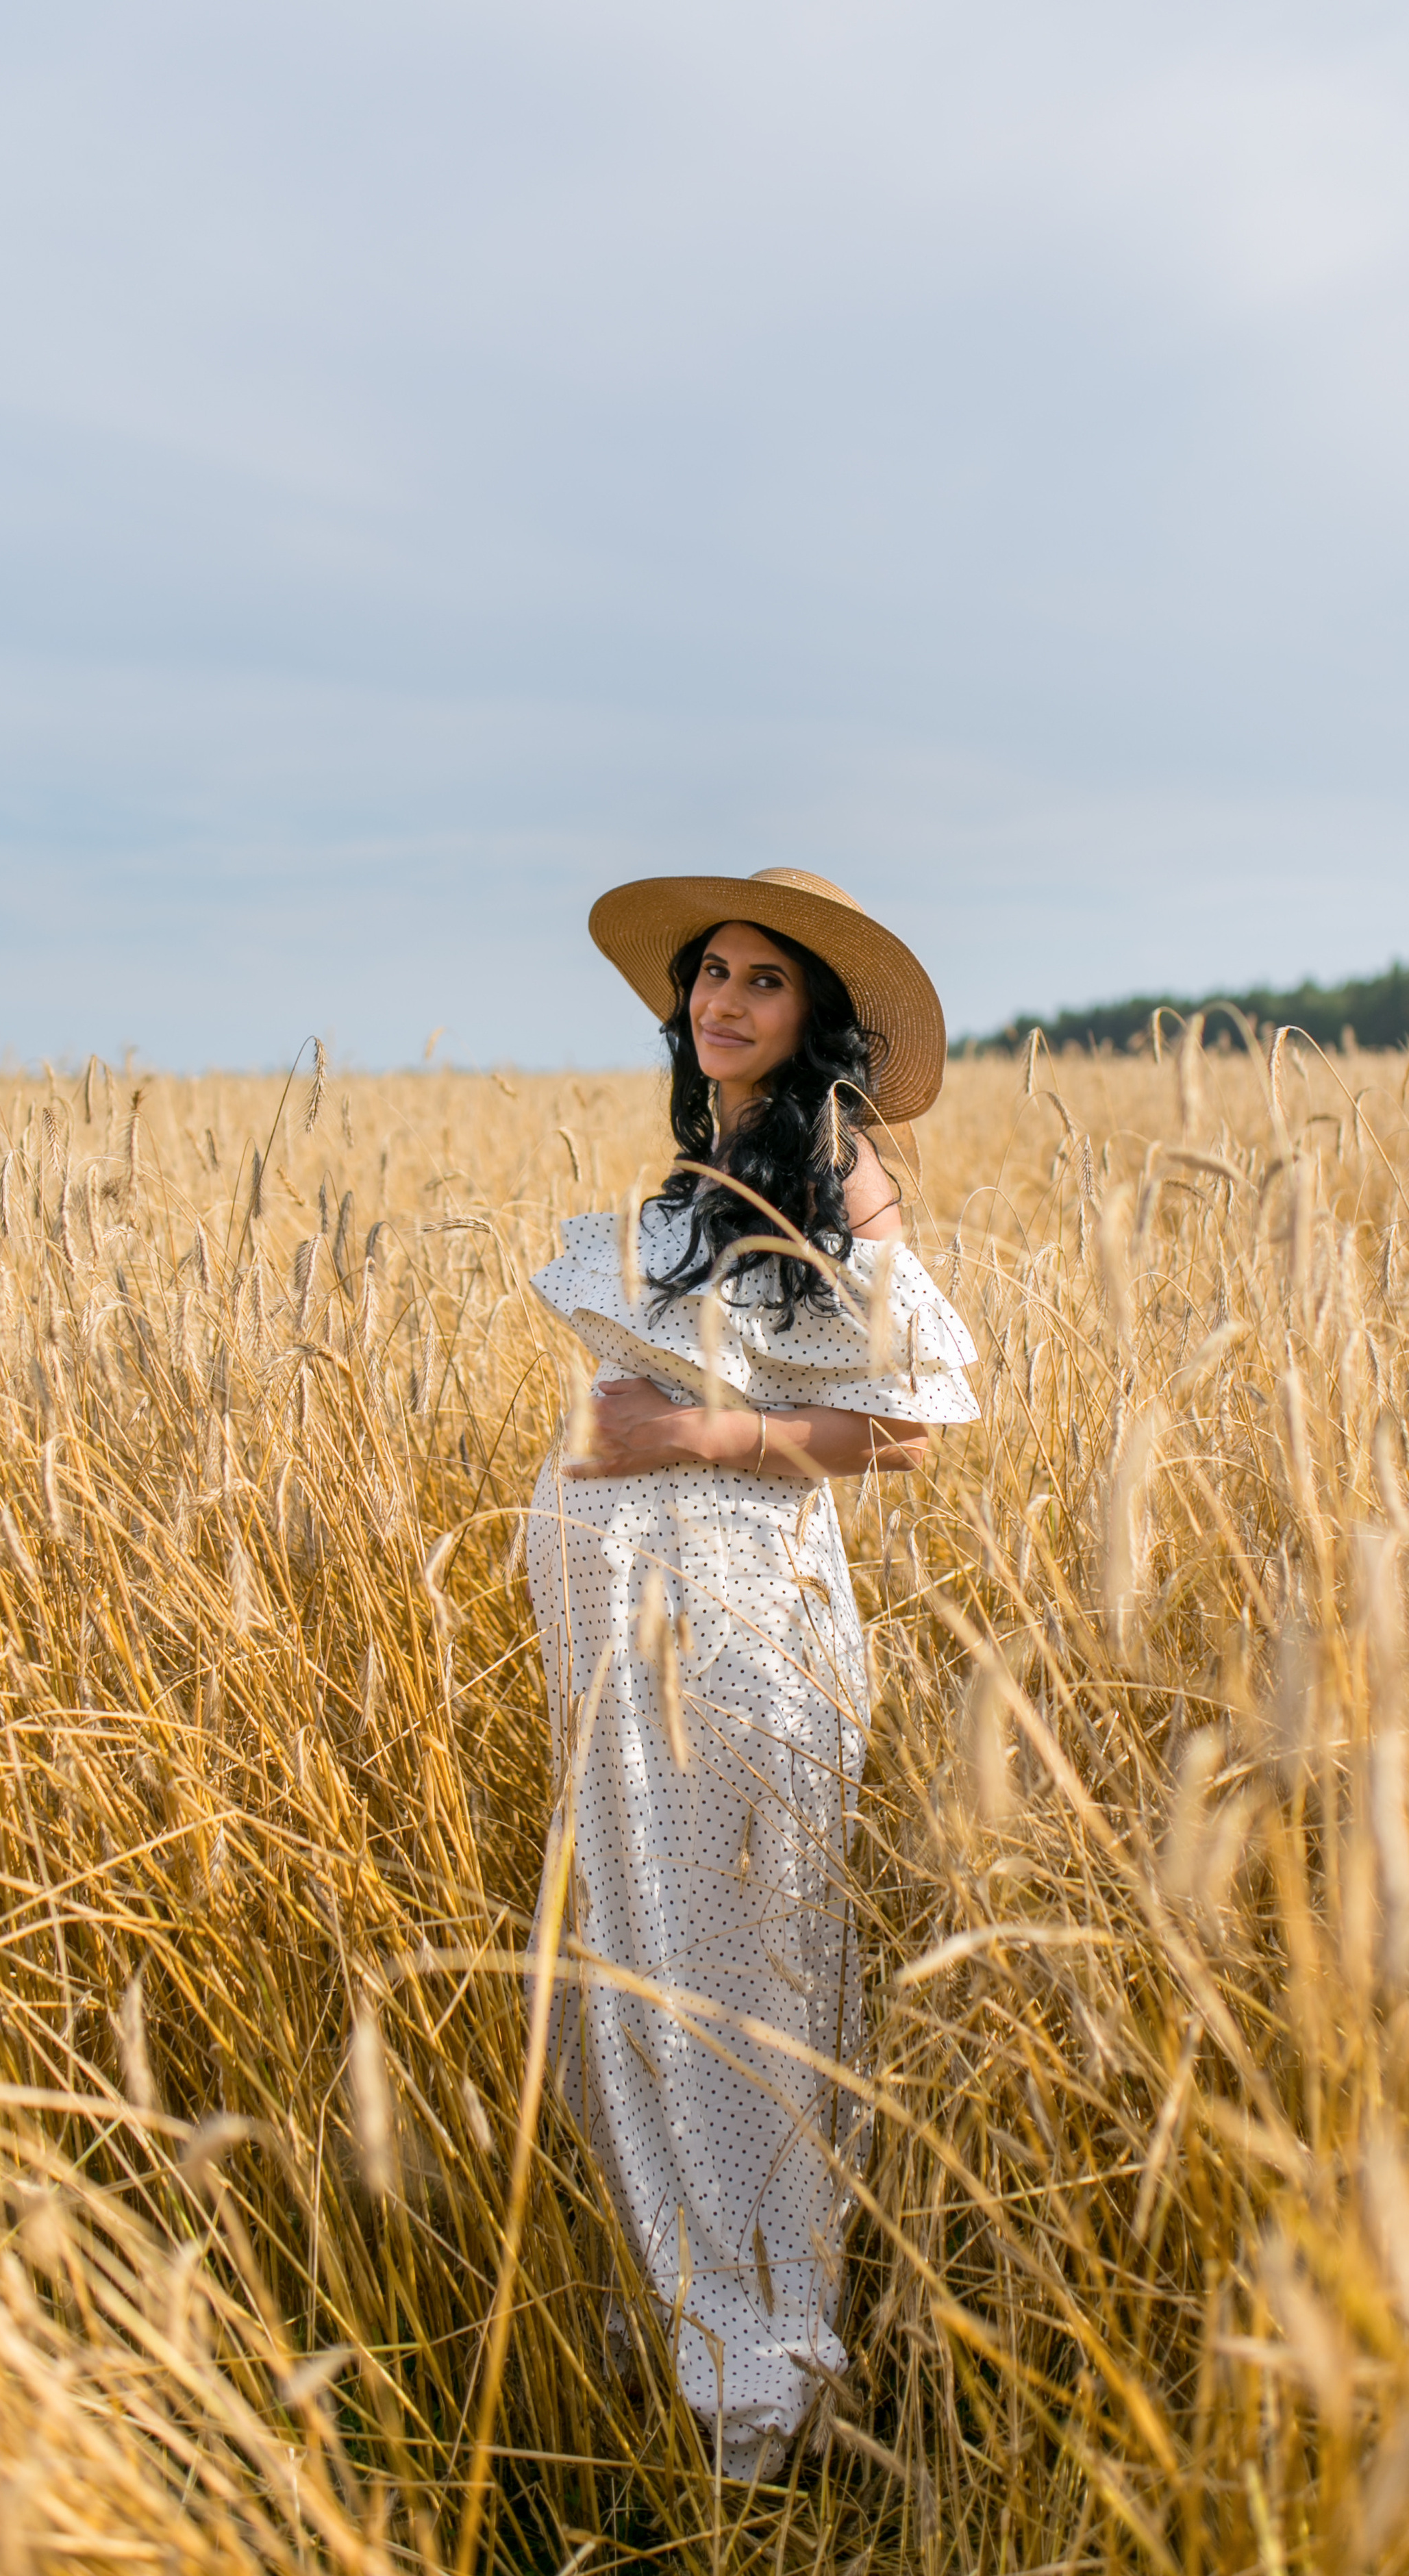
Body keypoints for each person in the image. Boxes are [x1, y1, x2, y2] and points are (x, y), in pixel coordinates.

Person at [524, 866, 979, 2479]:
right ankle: (690, 2327)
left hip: (734, 1638)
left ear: (814, 1017)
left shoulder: (844, 1181)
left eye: (761, 982)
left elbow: (909, 1425)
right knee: (644, 1972)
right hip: (625, 1654)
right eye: (708, 973)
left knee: (739, 1988)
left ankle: (769, 2371)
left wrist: (685, 1434)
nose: (720, 999)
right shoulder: (704, 1168)